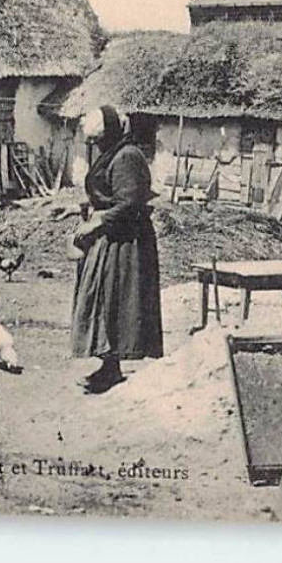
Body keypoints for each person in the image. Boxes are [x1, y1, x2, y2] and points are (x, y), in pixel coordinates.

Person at [70, 104, 163, 393]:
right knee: (103, 302)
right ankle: (109, 365)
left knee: (116, 301)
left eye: (98, 140)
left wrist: (96, 223)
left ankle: (114, 367)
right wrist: (82, 207)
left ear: (110, 133)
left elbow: (130, 204)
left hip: (125, 241)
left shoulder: (127, 157)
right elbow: (109, 193)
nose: (96, 146)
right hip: (110, 237)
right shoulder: (113, 154)